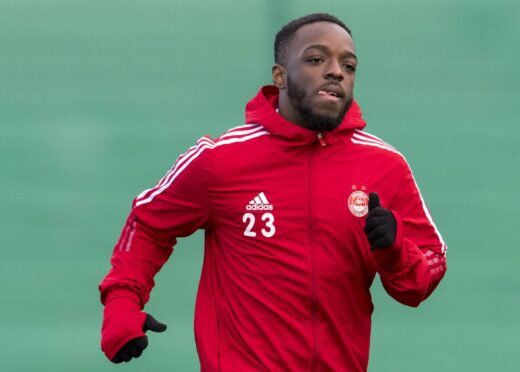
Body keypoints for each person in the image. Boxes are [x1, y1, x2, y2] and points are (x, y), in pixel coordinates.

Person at [99, 12, 447, 371]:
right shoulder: (219, 159)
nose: (336, 71)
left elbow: (425, 273)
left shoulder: (385, 165)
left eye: (349, 65)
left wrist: (394, 253)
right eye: (316, 59)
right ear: (280, 76)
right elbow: (149, 221)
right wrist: (122, 301)